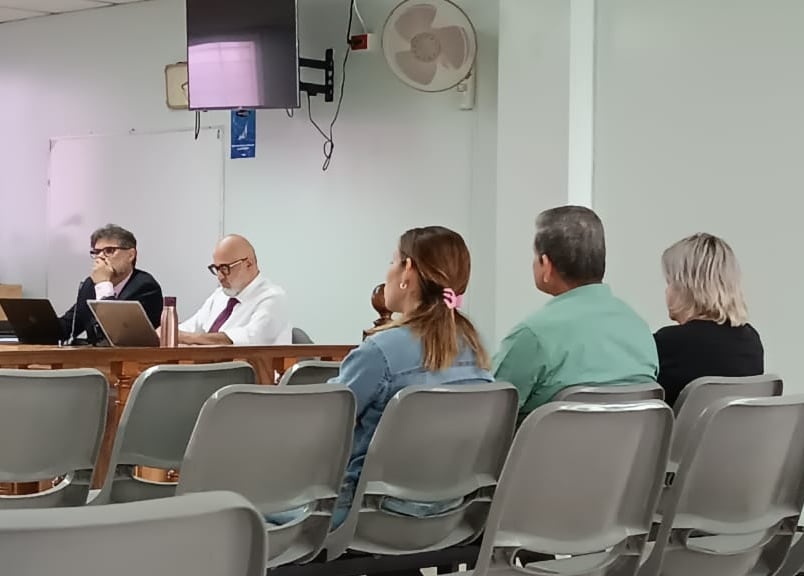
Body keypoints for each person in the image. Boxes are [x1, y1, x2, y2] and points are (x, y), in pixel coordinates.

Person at [328, 226, 492, 526]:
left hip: (369, 515)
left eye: (392, 261)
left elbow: (322, 423)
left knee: (254, 512)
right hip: (450, 514)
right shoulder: (476, 350)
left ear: (408, 270)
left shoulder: (379, 352)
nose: (387, 272)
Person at [493, 206, 658, 423]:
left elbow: (489, 413)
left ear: (546, 265)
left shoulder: (533, 335)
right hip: (626, 446)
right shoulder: (640, 329)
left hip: (549, 445)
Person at [654, 233, 763, 405]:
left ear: (685, 287)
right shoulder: (750, 341)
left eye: (669, 283)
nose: (667, 291)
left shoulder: (667, 342)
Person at [178, 234, 291, 346]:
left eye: (225, 268)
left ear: (248, 264)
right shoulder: (220, 295)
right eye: (216, 269)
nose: (220, 277)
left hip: (246, 358)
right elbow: (190, 327)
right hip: (209, 358)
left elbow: (250, 339)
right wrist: (172, 332)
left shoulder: (273, 298)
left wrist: (189, 338)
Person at [60, 224, 163, 345]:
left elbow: (118, 335)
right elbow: (67, 327)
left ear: (131, 255)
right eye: (96, 252)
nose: (100, 257)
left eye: (109, 251)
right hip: (95, 355)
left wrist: (104, 284)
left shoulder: (145, 287)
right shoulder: (90, 285)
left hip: (132, 356)